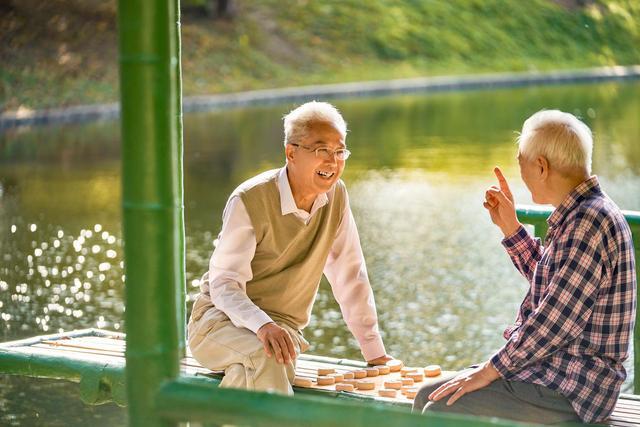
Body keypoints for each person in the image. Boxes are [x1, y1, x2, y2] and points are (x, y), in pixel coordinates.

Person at [413, 110, 636, 424]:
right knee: (428, 395)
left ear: (541, 166)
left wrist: (491, 370)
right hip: (551, 373)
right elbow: (554, 286)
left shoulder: (588, 222)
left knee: (442, 410)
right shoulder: (579, 214)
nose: (522, 174)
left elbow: (555, 322)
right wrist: (511, 228)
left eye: (522, 164)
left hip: (573, 388)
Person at [188, 101, 393, 395]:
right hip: (217, 325)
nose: (333, 162)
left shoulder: (337, 196)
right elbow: (224, 285)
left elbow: (351, 275)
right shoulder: (249, 199)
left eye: (339, 151)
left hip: (282, 332)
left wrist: (374, 352)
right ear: (291, 153)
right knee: (268, 358)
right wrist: (263, 326)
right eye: (322, 151)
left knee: (261, 365)